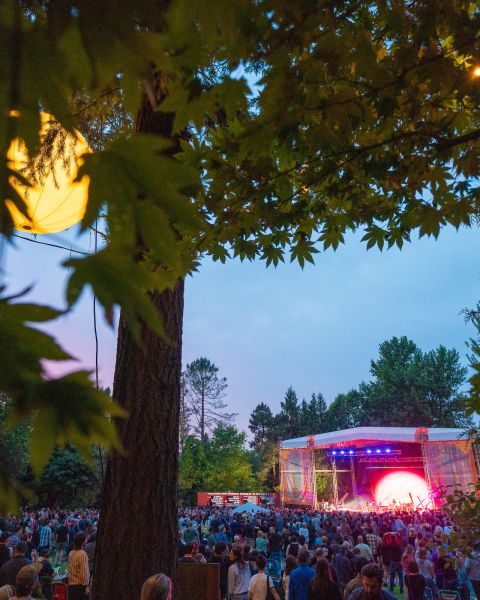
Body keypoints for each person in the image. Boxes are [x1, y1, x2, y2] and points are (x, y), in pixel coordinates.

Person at [67, 532, 89, 600]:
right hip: (79, 586)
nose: (87, 540)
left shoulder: (71, 552)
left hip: (71, 585)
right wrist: (86, 586)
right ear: (83, 542)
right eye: (86, 539)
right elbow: (84, 572)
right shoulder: (82, 554)